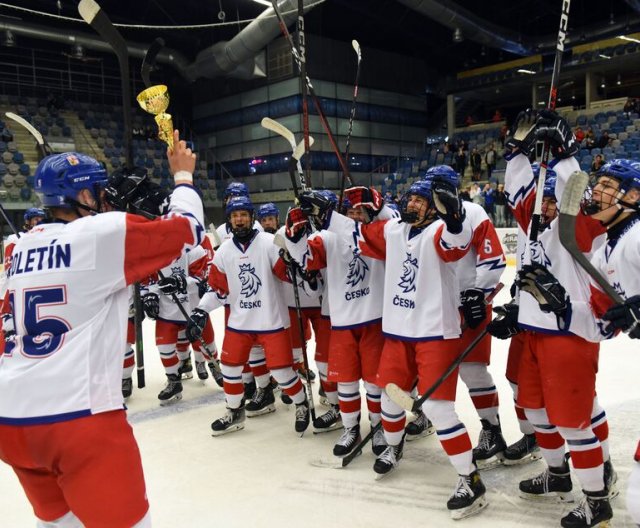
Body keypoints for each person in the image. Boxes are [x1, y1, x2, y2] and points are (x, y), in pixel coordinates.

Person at [0, 131, 204, 527]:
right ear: (84, 196)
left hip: (10, 419)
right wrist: (182, 178)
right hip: (76, 417)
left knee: (62, 523)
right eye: (98, 191)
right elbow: (187, 231)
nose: (105, 197)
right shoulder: (99, 233)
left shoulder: (18, 247)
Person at [343, 176, 489, 519]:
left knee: (439, 410)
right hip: (397, 333)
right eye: (410, 199)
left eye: (421, 201)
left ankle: (470, 479)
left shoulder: (441, 231)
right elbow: (361, 228)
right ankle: (394, 448)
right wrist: (351, 208)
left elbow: (456, 242)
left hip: (435, 334)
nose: (412, 204)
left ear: (434, 207)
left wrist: (453, 219)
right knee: (390, 398)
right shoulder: (394, 230)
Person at [501, 109, 616, 527]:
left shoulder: (580, 226)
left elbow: (574, 190)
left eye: (553, 200)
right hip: (533, 333)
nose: (546, 205)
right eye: (542, 199)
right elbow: (517, 189)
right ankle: (557, 473)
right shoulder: (532, 224)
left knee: (572, 420)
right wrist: (516, 150)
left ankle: (596, 499)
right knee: (534, 409)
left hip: (569, 332)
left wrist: (565, 153)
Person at [284, 189, 397, 459]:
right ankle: (350, 428)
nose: (355, 216)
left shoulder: (381, 231)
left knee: (374, 384)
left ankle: (379, 427)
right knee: (345, 382)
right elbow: (305, 259)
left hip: (374, 319)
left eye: (361, 211)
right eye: (351, 211)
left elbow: (390, 220)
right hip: (343, 322)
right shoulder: (328, 236)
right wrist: (295, 233)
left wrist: (366, 202)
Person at [202, 195, 310, 436]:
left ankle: (301, 403)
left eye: (243, 215)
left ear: (252, 218)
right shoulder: (224, 252)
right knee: (230, 369)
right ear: (229, 220)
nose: (239, 220)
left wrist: (290, 262)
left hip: (271, 321)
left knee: (282, 372)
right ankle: (234, 411)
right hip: (240, 323)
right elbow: (218, 289)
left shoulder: (269, 242)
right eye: (234, 216)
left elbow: (287, 276)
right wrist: (201, 310)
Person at [580, 158, 640, 526]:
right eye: (597, 184)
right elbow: (603, 321)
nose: (596, 192)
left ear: (633, 195)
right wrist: (547, 306)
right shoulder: (603, 251)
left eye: (607, 185)